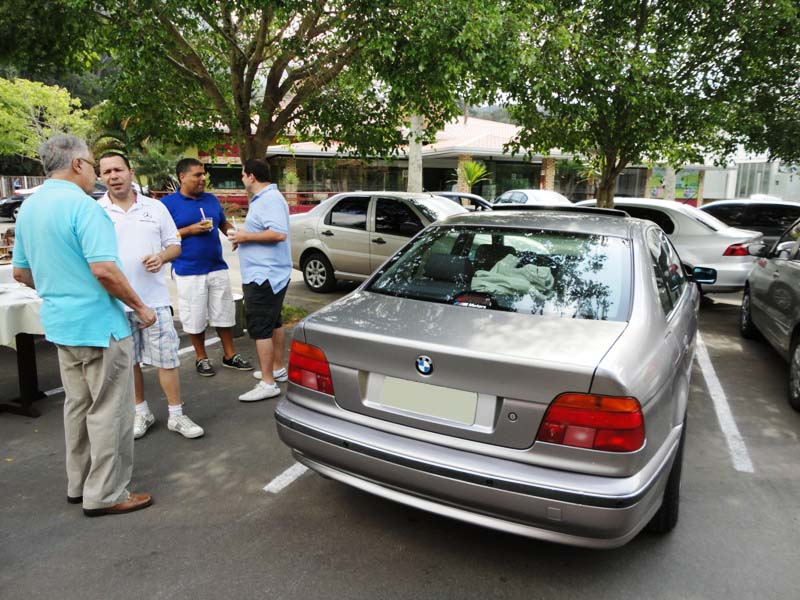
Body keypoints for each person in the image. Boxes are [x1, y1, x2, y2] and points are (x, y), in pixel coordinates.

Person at [12, 134, 156, 517]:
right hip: (99, 325)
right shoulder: (85, 208)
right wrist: (140, 306)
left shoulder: (29, 208)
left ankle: (79, 483)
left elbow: (21, 272)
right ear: (77, 164)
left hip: (60, 325)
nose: (96, 171)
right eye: (93, 163)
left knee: (77, 407)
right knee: (110, 410)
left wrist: (59, 283)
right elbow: (105, 270)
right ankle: (105, 494)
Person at [97, 153, 204, 440]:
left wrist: (160, 257)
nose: (113, 175)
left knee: (167, 359)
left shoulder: (155, 208)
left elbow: (175, 245)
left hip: (154, 301)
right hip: (115, 302)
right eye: (106, 171)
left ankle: (177, 415)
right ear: (101, 176)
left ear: (130, 172)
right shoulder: (96, 211)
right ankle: (141, 411)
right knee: (128, 362)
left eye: (118, 169)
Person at [161, 158, 252, 377]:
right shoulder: (167, 205)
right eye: (197, 175)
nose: (203, 179)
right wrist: (189, 230)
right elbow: (162, 236)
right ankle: (201, 357)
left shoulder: (210, 200)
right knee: (195, 317)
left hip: (216, 267)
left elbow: (222, 222)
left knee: (224, 314)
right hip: (188, 269)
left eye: (203, 174)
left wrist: (233, 233)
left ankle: (230, 355)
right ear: (182, 177)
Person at [228, 159, 291, 402]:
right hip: (268, 273)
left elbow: (278, 233)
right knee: (273, 322)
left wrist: (246, 237)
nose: (242, 179)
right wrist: (244, 238)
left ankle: (268, 382)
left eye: (243, 175)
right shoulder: (266, 199)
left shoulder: (269, 199)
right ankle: (276, 369)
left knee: (261, 328)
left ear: (251, 176)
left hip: (264, 275)